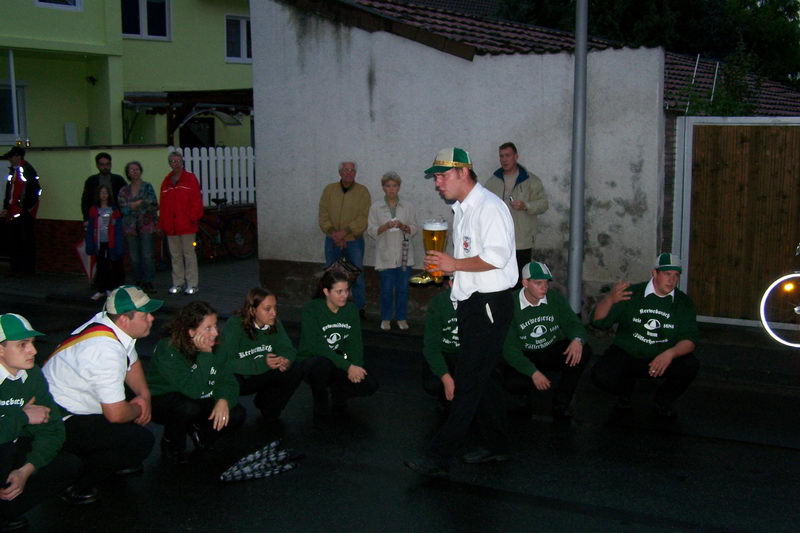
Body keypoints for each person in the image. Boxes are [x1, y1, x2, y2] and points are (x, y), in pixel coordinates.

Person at [405, 147, 517, 477]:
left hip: (490, 305)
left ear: (463, 173)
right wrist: (451, 271)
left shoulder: (489, 208)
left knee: (468, 380)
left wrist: (454, 263)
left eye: (442, 175)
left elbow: (497, 257)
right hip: (472, 303)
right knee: (484, 378)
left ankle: (439, 456)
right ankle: (498, 445)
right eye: (436, 177)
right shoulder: (463, 209)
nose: (437, 183)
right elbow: (475, 258)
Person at [42, 286, 158, 503]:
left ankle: (108, 461)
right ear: (124, 319)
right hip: (57, 421)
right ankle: (72, 482)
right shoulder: (105, 350)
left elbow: (131, 362)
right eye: (146, 315)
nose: (152, 318)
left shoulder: (108, 324)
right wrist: (139, 408)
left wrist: (145, 395)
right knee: (141, 441)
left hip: (71, 409)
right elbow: (115, 414)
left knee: (127, 417)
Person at [590, 253, 701, 418]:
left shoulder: (683, 303)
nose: (671, 280)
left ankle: (663, 400)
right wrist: (610, 300)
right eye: (667, 274)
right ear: (655, 273)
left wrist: (670, 354)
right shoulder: (633, 293)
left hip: (661, 357)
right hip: (628, 353)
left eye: (675, 275)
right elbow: (598, 322)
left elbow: (690, 340)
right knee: (601, 375)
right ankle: (624, 392)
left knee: (690, 365)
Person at [0, 314, 80, 531]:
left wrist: (26, 470)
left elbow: (53, 428)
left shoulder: (32, 374)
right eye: (22, 345)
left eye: (32, 343)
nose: (33, 351)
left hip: (12, 446)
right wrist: (23, 416)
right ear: (0, 349)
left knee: (68, 465)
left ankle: (6, 511)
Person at [148, 301, 245, 464]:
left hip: (198, 397)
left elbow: (228, 381)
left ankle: (200, 434)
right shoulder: (168, 349)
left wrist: (223, 400)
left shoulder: (218, 344)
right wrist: (206, 355)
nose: (215, 333)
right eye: (208, 328)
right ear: (191, 332)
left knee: (236, 413)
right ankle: (171, 443)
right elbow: (194, 390)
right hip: (164, 400)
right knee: (187, 407)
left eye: (215, 326)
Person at [502, 261, 592, 421]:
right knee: (510, 379)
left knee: (583, 351)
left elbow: (572, 323)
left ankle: (561, 402)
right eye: (538, 283)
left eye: (546, 282)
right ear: (525, 283)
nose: (544, 287)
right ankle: (521, 399)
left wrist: (577, 340)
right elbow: (509, 349)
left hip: (550, 348)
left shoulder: (554, 298)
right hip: (525, 352)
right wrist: (533, 373)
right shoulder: (510, 304)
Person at [217, 288, 303, 429]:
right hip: (242, 378)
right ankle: (225, 408)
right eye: (267, 309)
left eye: (275, 308)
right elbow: (225, 362)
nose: (274, 313)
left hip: (261, 371)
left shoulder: (273, 322)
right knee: (230, 382)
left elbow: (288, 349)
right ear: (252, 310)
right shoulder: (235, 325)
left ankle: (268, 405)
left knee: (295, 368)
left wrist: (284, 359)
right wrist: (262, 363)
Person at [297, 270, 378, 418]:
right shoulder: (311, 309)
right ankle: (320, 399)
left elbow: (355, 343)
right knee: (322, 365)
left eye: (346, 290)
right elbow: (316, 346)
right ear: (326, 292)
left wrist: (356, 367)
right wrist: (348, 367)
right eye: (339, 291)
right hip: (312, 360)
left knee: (370, 384)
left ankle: (338, 392)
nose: (344, 295)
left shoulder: (351, 310)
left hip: (339, 359)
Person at [483, 142, 548, 285]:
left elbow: (543, 204)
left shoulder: (531, 180)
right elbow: (482, 205)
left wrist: (526, 205)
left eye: (508, 155)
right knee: (499, 278)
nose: (504, 159)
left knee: (520, 279)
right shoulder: (492, 182)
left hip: (521, 241)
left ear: (516, 156)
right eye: (501, 156)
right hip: (498, 240)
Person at [318, 161, 371, 318]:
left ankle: (359, 308)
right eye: (345, 170)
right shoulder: (329, 190)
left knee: (357, 275)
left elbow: (363, 217)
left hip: (354, 241)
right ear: (340, 172)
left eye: (352, 170)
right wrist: (334, 233)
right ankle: (331, 306)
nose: (349, 173)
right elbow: (323, 214)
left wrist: (345, 233)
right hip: (332, 239)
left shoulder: (362, 192)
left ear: (355, 173)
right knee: (331, 274)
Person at [367, 171, 418, 331]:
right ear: (383, 187)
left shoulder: (408, 206)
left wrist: (403, 226)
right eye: (388, 186)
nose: (391, 189)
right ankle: (386, 318)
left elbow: (415, 228)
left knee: (403, 289)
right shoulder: (375, 207)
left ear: (399, 187)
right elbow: (371, 230)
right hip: (385, 255)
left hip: (404, 255)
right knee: (387, 289)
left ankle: (401, 318)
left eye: (394, 186)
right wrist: (386, 226)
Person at [159, 151, 203, 295]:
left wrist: (193, 218)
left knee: (189, 254)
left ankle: (192, 283)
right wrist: (163, 224)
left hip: (187, 225)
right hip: (171, 227)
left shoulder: (190, 179)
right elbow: (163, 205)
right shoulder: (166, 182)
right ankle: (178, 282)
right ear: (169, 163)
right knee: (175, 256)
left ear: (182, 162)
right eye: (172, 161)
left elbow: (196, 200)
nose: (175, 163)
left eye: (177, 161)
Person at [118, 161, 159, 294]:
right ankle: (138, 280)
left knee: (147, 255)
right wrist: (137, 204)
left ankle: (148, 281)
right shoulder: (124, 190)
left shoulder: (147, 187)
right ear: (128, 173)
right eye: (131, 170)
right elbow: (123, 208)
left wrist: (136, 204)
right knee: (134, 256)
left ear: (141, 171)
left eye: (137, 169)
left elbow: (153, 204)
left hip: (146, 226)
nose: (134, 172)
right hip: (130, 228)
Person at [2, 146, 41, 277]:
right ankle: (17, 268)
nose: (10, 160)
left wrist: (26, 209)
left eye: (11, 157)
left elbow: (35, 191)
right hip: (14, 212)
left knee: (25, 241)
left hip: (23, 213)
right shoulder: (14, 171)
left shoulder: (27, 171)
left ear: (18, 156)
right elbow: (9, 193)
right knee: (14, 241)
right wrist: (6, 208)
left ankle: (27, 270)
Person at [421, 279, 460, 404]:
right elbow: (431, 346)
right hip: (444, 352)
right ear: (451, 283)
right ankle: (443, 398)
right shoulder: (438, 303)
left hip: (466, 354)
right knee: (433, 384)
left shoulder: (477, 301)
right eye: (459, 283)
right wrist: (446, 378)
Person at [85, 184, 125, 301]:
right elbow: (91, 227)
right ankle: (101, 289)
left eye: (106, 192)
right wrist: (90, 244)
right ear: (98, 195)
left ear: (109, 195)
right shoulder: (94, 210)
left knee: (111, 266)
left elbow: (118, 228)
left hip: (111, 243)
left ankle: (111, 289)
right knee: (101, 266)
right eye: (101, 192)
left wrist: (118, 244)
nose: (103, 195)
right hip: (99, 243)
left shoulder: (114, 210)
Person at [80, 152, 126, 220]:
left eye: (108, 164)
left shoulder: (118, 180)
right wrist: (87, 218)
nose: (105, 167)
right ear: (97, 165)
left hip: (116, 216)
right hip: (96, 217)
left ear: (111, 164)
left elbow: (127, 198)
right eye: (102, 164)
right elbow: (85, 201)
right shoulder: (91, 181)